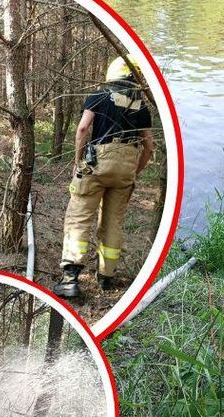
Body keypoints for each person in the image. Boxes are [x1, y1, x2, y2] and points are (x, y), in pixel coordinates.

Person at [53, 56, 155, 299]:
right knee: (113, 221)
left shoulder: (98, 97)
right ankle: (106, 277)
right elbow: (149, 146)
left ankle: (70, 279)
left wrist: (78, 161)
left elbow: (82, 129)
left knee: (79, 216)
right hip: (125, 170)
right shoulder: (142, 108)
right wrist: (134, 171)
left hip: (97, 165)